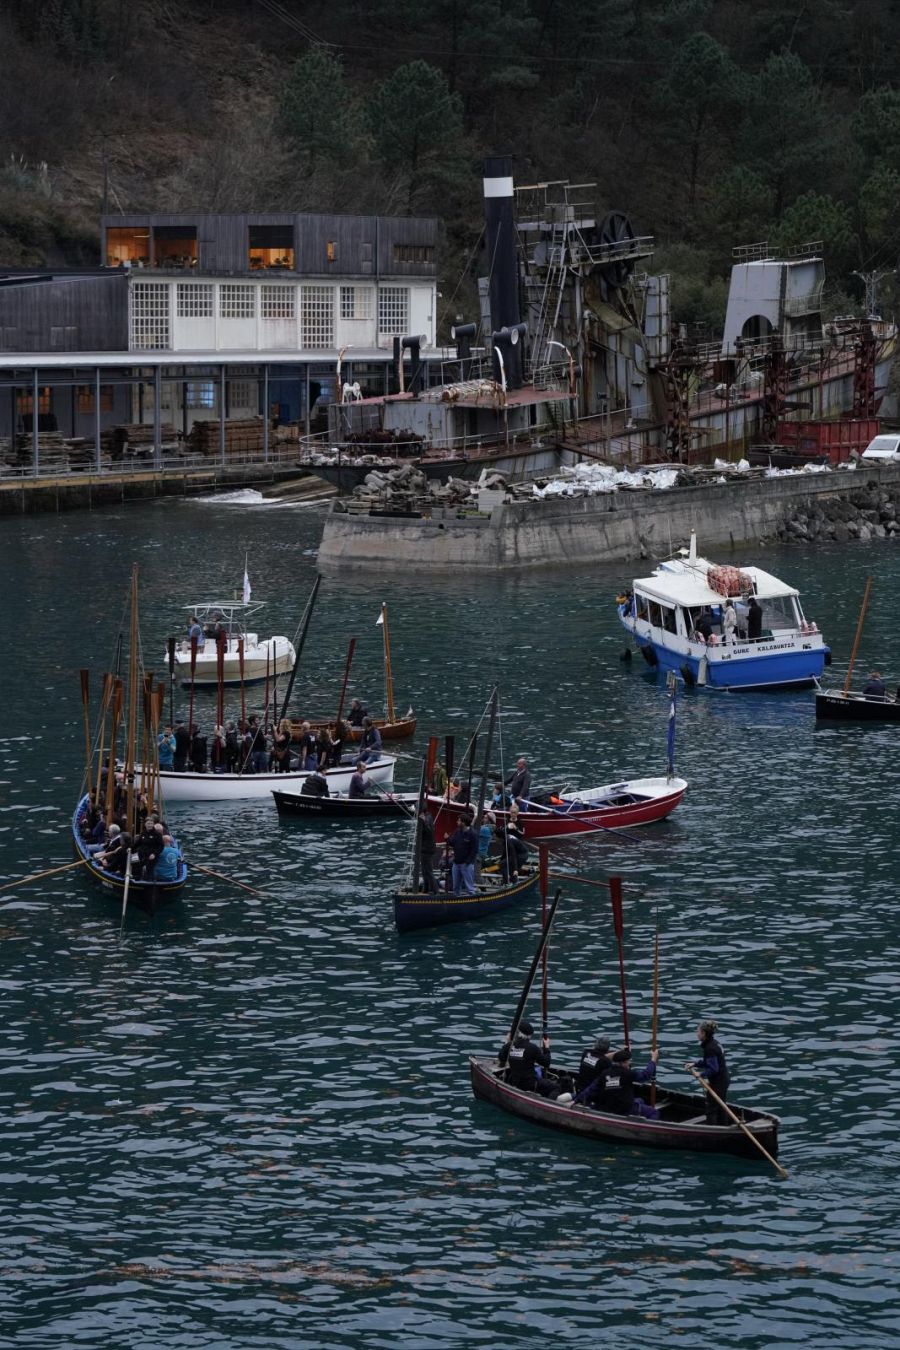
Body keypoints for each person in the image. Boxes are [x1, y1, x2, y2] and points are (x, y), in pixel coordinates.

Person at [685, 1019, 730, 1124]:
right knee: (721, 1106)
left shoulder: (710, 1048)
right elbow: (709, 1061)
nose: (696, 1034)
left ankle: (714, 1131)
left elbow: (714, 1069)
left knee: (711, 1109)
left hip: (719, 1082)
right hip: (723, 1079)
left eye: (698, 1032)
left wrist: (700, 1074)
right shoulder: (714, 1043)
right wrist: (695, 1064)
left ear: (704, 1033)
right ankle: (724, 1126)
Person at [598, 1047, 660, 1119]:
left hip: (609, 1106)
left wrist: (582, 1098)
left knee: (640, 1100)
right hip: (625, 1108)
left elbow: (592, 1088)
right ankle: (646, 1128)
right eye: (628, 1061)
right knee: (654, 1112)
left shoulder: (605, 1073)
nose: (630, 1063)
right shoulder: (627, 1074)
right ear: (622, 1063)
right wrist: (653, 1060)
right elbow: (646, 1075)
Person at [498, 1021, 551, 1091]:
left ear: (518, 1032)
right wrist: (547, 1048)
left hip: (515, 1083)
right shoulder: (533, 1048)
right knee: (556, 1087)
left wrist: (507, 1043)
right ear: (530, 1035)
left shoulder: (509, 1046)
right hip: (531, 1085)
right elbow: (546, 1063)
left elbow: (501, 1058)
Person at [447, 812, 479, 895]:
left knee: (470, 888)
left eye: (459, 820)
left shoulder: (472, 834)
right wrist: (447, 839)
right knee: (455, 887)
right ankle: (456, 901)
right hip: (456, 863)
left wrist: (468, 862)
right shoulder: (458, 832)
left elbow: (474, 850)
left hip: (466, 864)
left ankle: (472, 902)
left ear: (463, 823)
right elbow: (452, 843)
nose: (457, 822)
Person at [417, 802, 437, 893]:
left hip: (427, 848)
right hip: (426, 848)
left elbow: (429, 832)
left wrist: (423, 822)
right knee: (425, 871)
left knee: (428, 871)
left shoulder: (426, 819)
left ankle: (435, 890)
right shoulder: (429, 816)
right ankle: (426, 889)